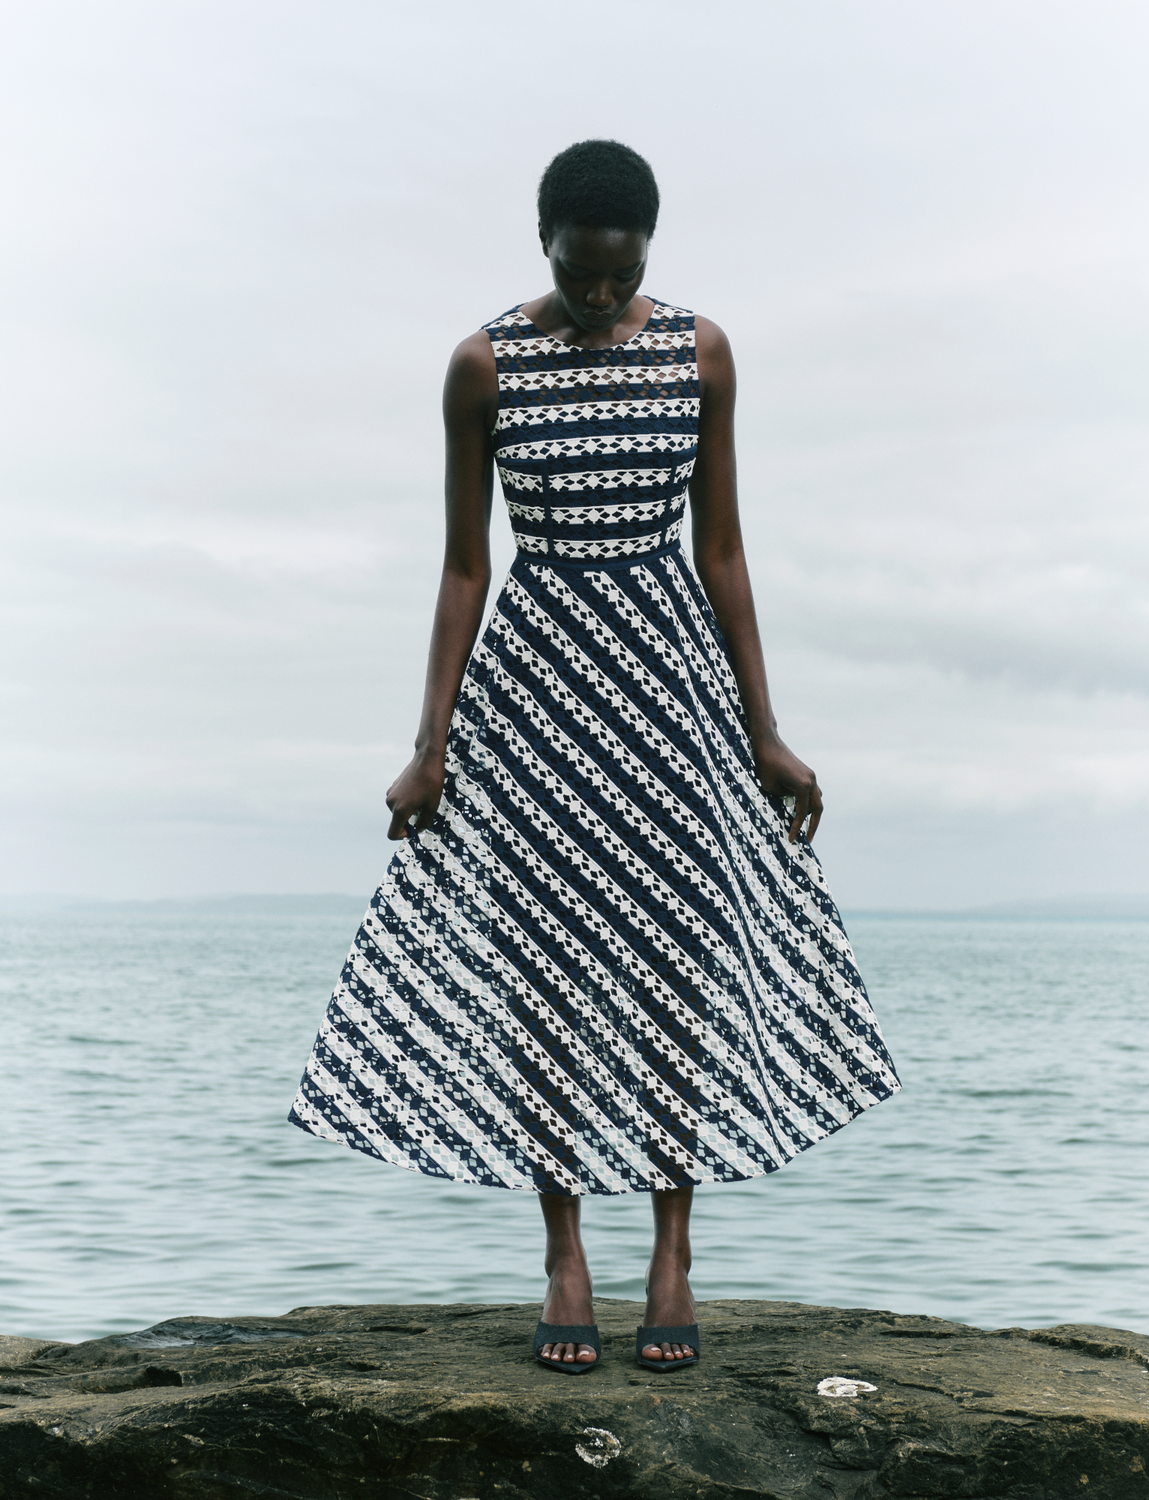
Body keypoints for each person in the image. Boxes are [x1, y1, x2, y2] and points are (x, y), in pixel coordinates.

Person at [290, 139, 900, 1376]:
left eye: (621, 278)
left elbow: (723, 549)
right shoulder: (483, 366)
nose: (601, 298)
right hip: (538, 693)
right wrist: (430, 746)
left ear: (648, 256)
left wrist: (763, 726)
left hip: (671, 684)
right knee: (551, 972)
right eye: (581, 275)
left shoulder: (700, 351)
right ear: (545, 245)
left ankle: (672, 1254)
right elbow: (466, 567)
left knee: (680, 960)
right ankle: (565, 1255)